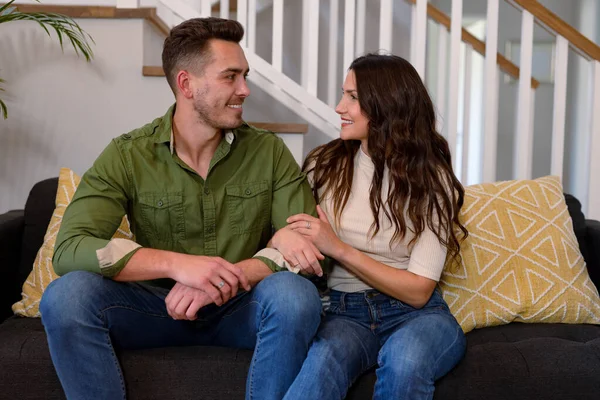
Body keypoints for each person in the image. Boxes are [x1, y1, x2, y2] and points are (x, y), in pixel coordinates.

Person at [39, 17, 325, 400]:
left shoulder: (267, 151)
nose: (245, 90)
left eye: (245, 76)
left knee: (294, 296)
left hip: (241, 309)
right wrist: (178, 265)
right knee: (65, 297)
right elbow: (70, 248)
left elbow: (306, 246)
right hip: (155, 308)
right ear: (186, 84)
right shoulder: (128, 154)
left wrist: (224, 279)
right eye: (231, 77)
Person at [270, 53, 469, 400]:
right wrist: (283, 234)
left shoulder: (432, 180)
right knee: (321, 365)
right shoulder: (324, 165)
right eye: (343, 94)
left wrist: (338, 248)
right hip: (346, 314)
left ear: (387, 104)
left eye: (353, 97)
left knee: (405, 360)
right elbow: (287, 232)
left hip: (417, 316)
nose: (338, 107)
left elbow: (419, 290)